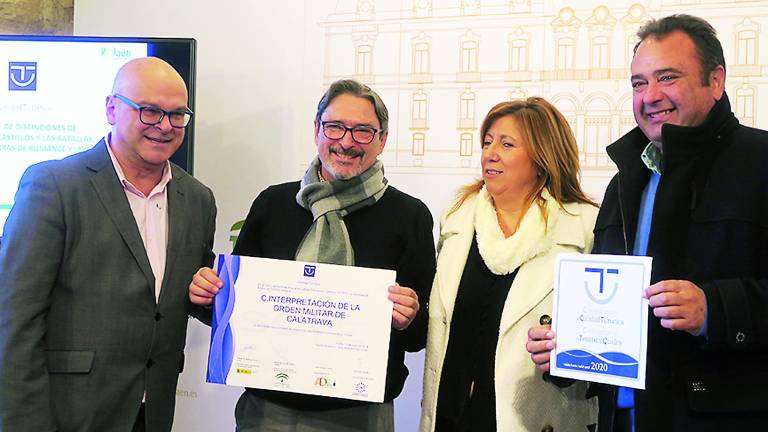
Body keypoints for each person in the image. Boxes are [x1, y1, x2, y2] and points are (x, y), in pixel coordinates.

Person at [527, 14, 768, 431]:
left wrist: (716, 309)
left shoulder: (760, 163)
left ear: (716, 80)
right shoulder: (625, 182)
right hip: (623, 419)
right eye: (639, 83)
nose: (650, 96)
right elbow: (611, 311)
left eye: (668, 78)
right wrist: (567, 351)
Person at [189, 79, 436, 432]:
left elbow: (420, 333)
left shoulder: (409, 216)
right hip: (267, 411)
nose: (346, 142)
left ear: (382, 140)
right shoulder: (273, 204)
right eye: (335, 126)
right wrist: (207, 296)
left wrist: (411, 315)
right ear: (317, 129)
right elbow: (234, 305)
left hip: (359, 415)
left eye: (363, 131)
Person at [0, 57, 217, 432]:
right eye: (150, 112)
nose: (165, 127)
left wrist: (210, 294)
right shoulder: (54, 185)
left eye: (177, 114)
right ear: (112, 108)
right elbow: (14, 318)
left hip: (153, 413)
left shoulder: (198, 198)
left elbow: (183, 296)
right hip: (67, 412)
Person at [420, 98, 599, 432]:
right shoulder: (457, 220)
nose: (490, 153)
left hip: (533, 416)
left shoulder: (584, 227)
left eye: (507, 144)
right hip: (452, 415)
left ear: (542, 157)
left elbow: (601, 340)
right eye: (487, 142)